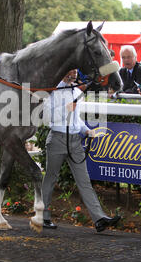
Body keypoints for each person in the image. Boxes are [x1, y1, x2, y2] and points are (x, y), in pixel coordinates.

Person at [42, 69, 121, 232]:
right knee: (50, 178)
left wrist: (85, 130)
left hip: (75, 141)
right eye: (71, 71)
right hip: (57, 138)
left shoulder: (76, 90)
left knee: (84, 180)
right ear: (63, 73)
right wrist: (66, 108)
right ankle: (42, 217)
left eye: (76, 71)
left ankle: (99, 218)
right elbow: (47, 116)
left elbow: (76, 118)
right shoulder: (53, 91)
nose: (75, 73)